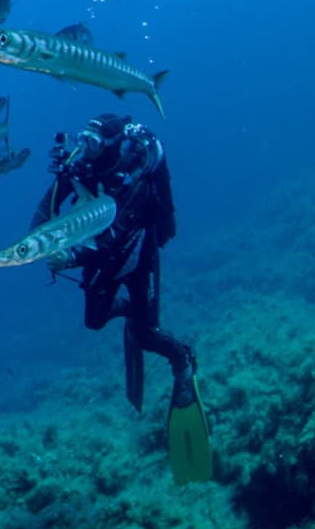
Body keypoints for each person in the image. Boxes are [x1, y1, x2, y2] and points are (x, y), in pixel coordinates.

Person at [36, 112, 212, 484]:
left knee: (149, 336)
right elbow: (44, 211)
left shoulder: (134, 172)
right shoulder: (79, 166)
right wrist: (38, 241)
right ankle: (135, 315)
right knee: (94, 319)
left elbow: (113, 236)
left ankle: (183, 362)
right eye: (85, 139)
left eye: (96, 142)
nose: (87, 148)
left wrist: (68, 254)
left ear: (116, 145)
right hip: (97, 254)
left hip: (137, 254)